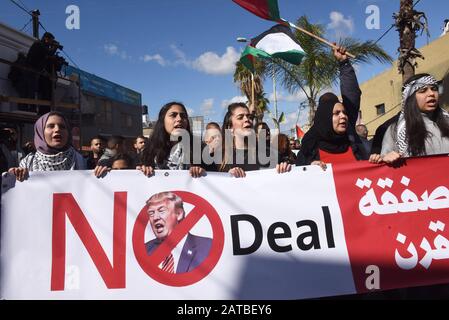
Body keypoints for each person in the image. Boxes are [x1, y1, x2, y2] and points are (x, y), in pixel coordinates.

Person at [297, 46, 368, 169]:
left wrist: (344, 63)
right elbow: (297, 180)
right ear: (325, 119)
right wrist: (308, 167)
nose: (343, 116)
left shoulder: (352, 139)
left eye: (344, 112)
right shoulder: (310, 145)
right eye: (336, 113)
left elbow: (352, 96)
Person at [370, 73, 449, 164]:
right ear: (410, 97)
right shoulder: (394, 130)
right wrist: (384, 158)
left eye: (434, 89)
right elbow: (385, 165)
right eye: (423, 90)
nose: (431, 93)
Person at [145, 191, 212, 273]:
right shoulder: (145, 250)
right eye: (151, 213)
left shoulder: (208, 247)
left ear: (179, 214)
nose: (155, 217)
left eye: (161, 211)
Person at [8, 111, 86, 181]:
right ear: (41, 132)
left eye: (62, 126)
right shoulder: (28, 163)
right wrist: (14, 176)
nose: (57, 129)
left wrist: (98, 172)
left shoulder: (80, 160)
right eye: (51, 126)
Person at [219, 103, 291, 177]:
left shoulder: (271, 154)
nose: (247, 119)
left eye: (249, 116)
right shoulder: (220, 159)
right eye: (240, 117)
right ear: (230, 128)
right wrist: (227, 176)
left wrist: (283, 168)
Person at [140, 102, 205, 178]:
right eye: (173, 115)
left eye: (183, 116)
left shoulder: (200, 150)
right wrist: (142, 170)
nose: (179, 119)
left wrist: (203, 172)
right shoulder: (148, 151)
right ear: (162, 121)